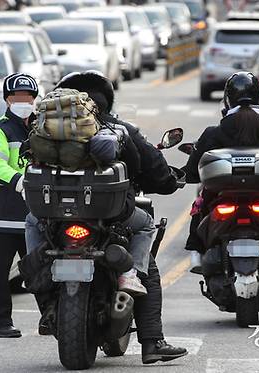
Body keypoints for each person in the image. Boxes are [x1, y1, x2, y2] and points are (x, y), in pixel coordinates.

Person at [25, 71, 188, 364]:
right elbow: (147, 168)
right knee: (146, 233)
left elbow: (28, 161)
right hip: (112, 218)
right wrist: (166, 181)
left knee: (32, 221)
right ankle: (151, 339)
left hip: (55, 218)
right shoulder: (119, 130)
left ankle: (43, 294)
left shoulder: (46, 133)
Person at [183, 72, 259, 268]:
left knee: (201, 200)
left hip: (222, 193)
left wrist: (184, 174)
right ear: (258, 96)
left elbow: (193, 169)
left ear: (227, 99)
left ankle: (195, 250)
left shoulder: (214, 132)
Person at [0, 73, 38, 338]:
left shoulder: (40, 128)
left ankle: (51, 318)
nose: (23, 102)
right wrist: (19, 181)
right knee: (0, 274)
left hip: (36, 216)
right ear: (7, 99)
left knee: (40, 270)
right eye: (17, 97)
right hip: (3, 217)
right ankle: (1, 323)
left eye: (28, 97)